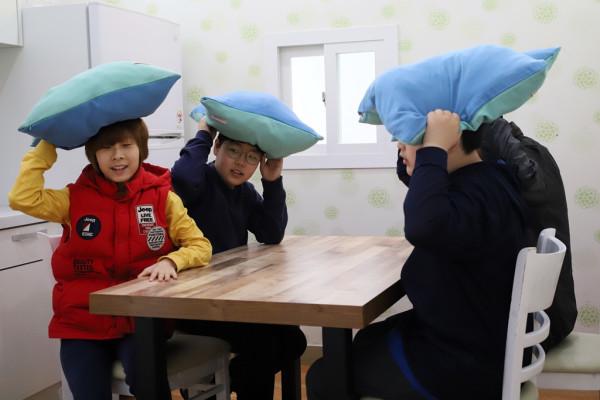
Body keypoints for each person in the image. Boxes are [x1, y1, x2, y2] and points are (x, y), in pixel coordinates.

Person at [306, 110, 530, 399]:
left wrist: (433, 147)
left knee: (323, 376)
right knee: (365, 340)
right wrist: (425, 150)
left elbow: (423, 225)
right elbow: (419, 183)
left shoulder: (471, 195)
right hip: (478, 343)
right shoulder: (491, 178)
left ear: (448, 138)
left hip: (463, 363)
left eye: (406, 136)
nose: (398, 144)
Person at [8, 118, 212, 400]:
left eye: (126, 145)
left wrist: (171, 261)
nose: (117, 155)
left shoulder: (163, 197)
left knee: (149, 384)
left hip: (141, 320)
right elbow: (22, 198)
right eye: (106, 148)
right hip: (82, 323)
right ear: (94, 155)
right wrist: (48, 144)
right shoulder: (73, 198)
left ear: (141, 149)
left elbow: (200, 245)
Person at [170, 117, 307, 400]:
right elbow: (181, 177)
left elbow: (271, 232)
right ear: (216, 147)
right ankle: (212, 385)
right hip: (193, 303)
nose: (241, 163)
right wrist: (204, 132)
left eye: (251, 157)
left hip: (229, 301)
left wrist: (272, 181)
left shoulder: (245, 192)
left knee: (292, 338)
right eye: (233, 151)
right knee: (265, 343)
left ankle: (216, 382)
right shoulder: (199, 182)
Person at [479, 116, 576, 351]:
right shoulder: (532, 150)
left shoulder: (518, 165)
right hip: (551, 317)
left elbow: (534, 188)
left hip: (534, 328)